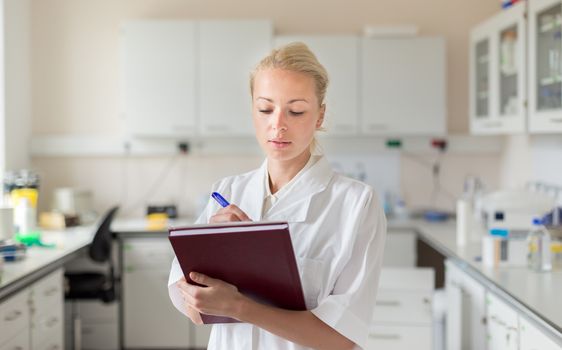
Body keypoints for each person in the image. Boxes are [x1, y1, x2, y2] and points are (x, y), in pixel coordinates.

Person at [168, 42, 387, 350]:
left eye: (296, 110)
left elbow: (342, 339)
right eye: (265, 109)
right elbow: (194, 309)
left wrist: (238, 306)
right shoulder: (227, 192)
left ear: (320, 116)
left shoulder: (356, 204)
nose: (278, 124)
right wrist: (217, 257)